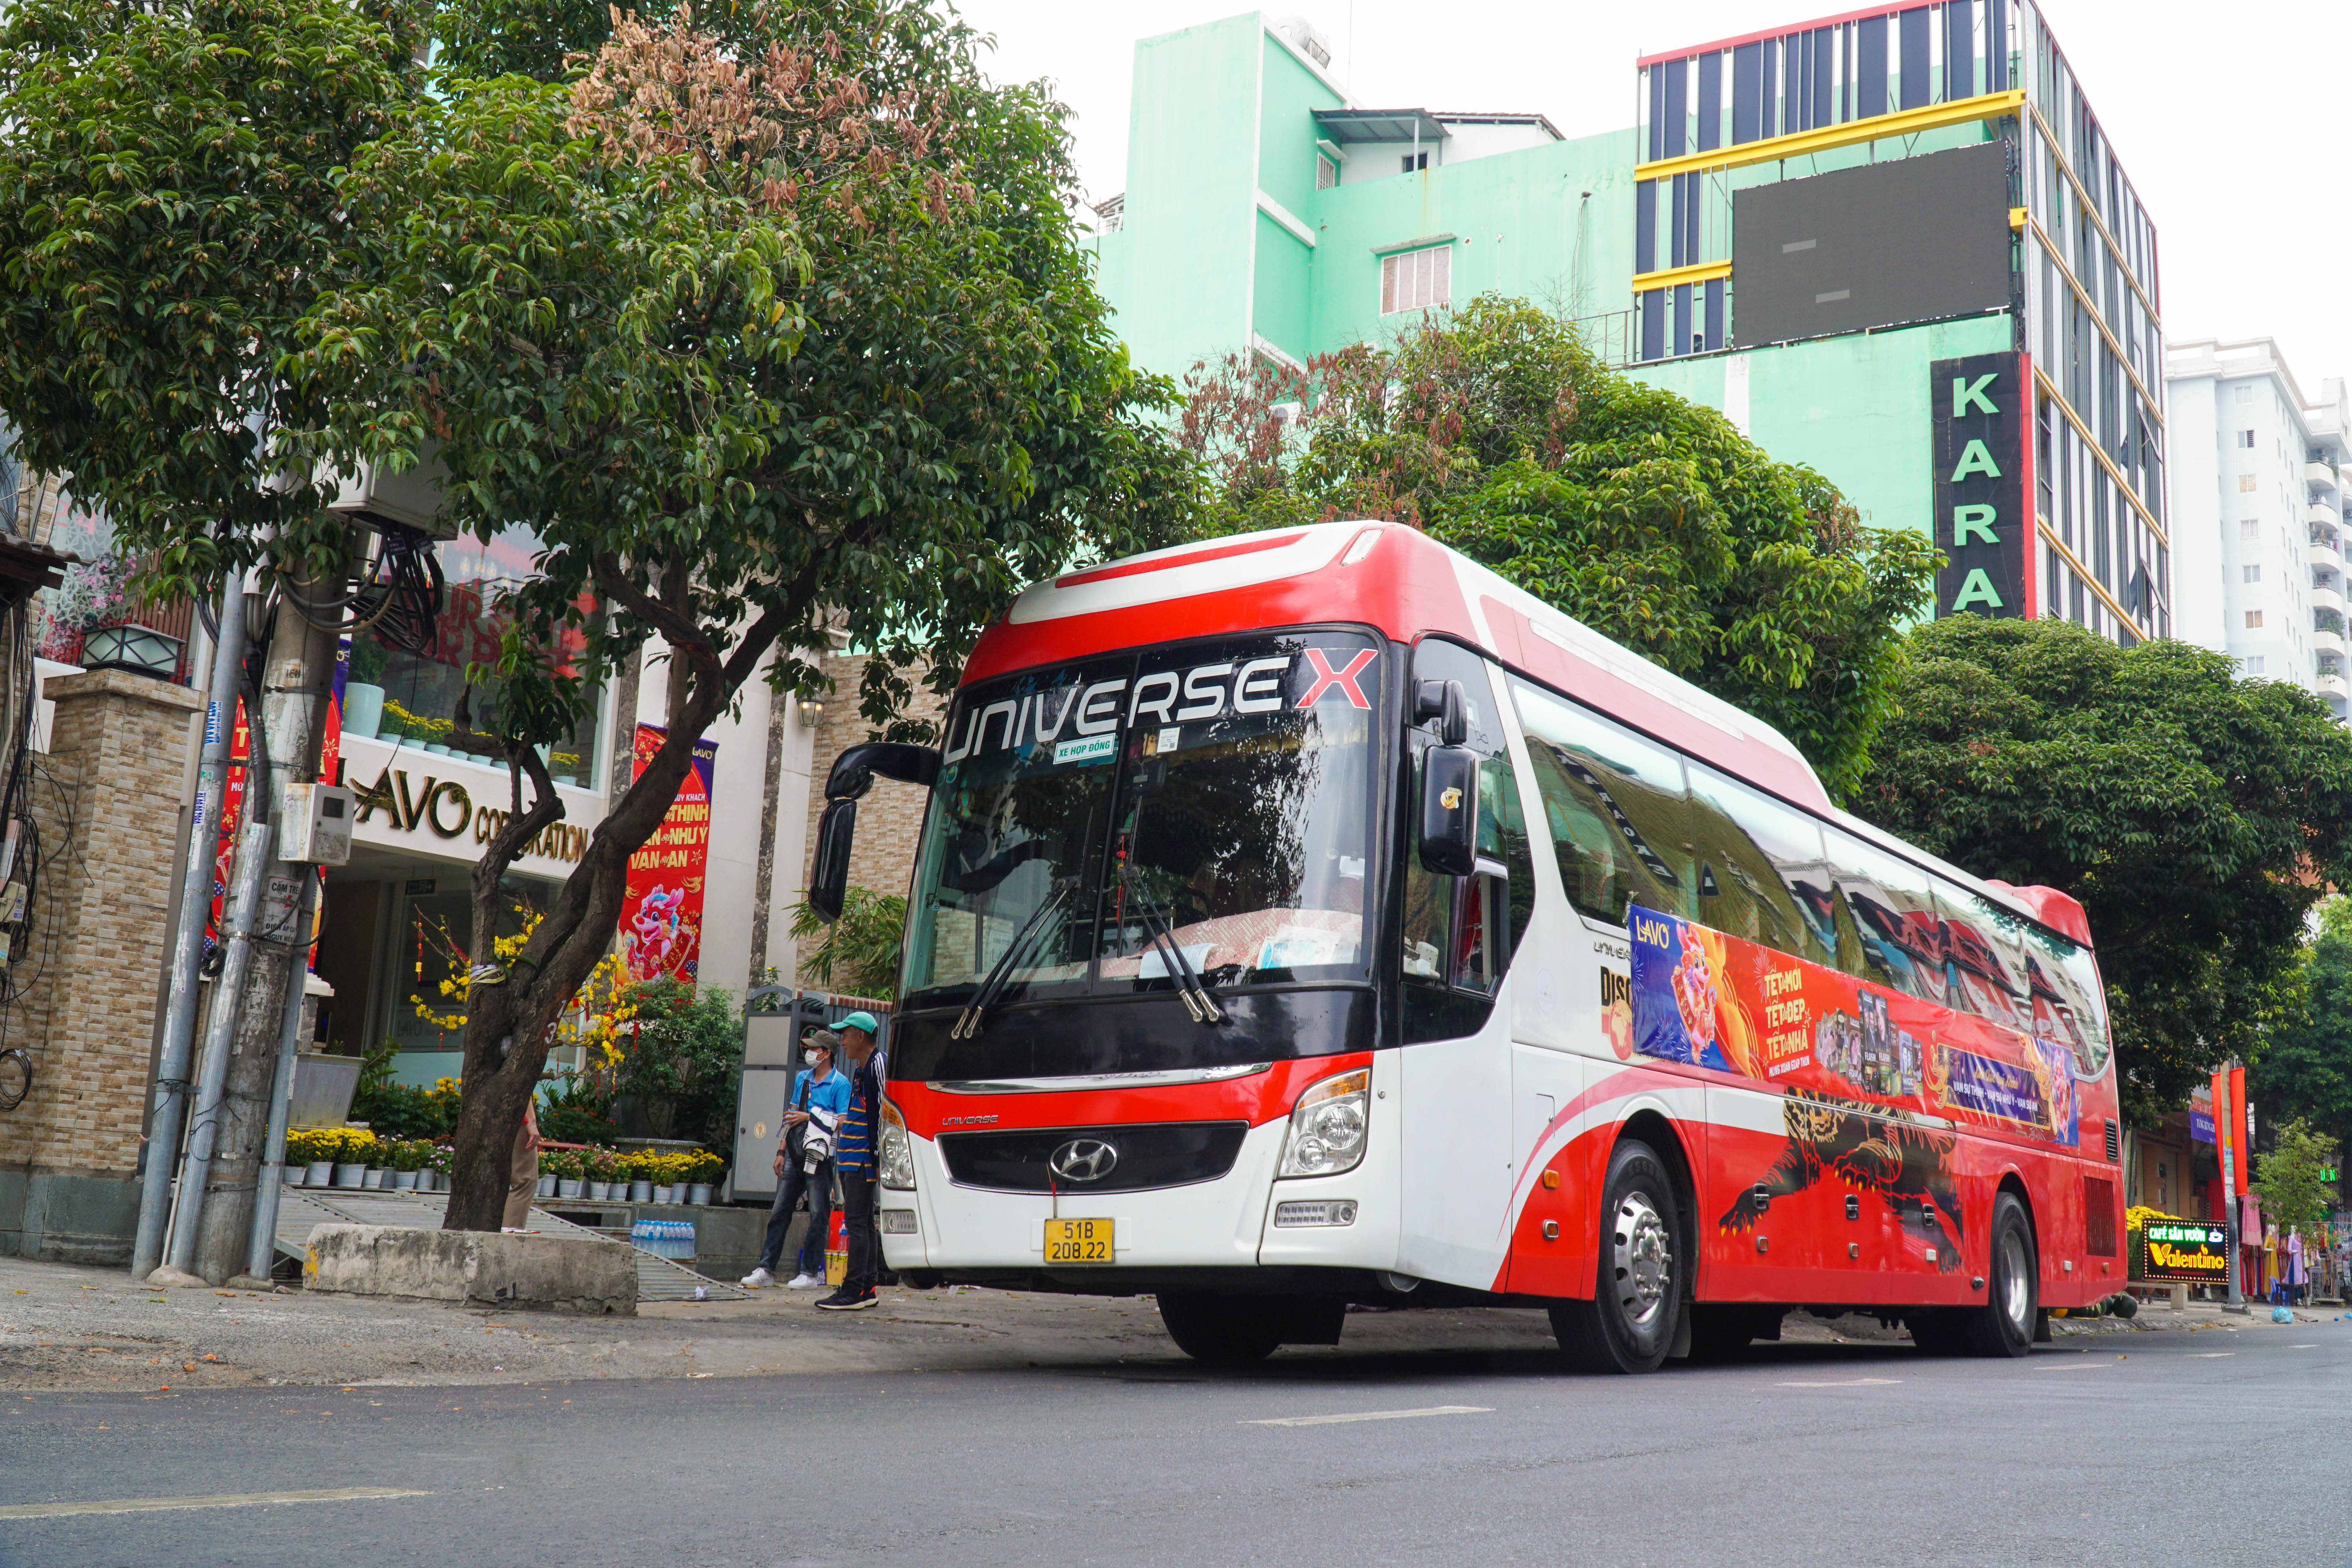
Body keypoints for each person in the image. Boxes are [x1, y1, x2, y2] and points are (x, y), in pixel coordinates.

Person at [741, 1031, 849, 1289]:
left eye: (814, 1049)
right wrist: (781, 1152)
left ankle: (809, 1274)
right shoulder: (803, 1078)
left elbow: (844, 1121)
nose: (809, 1052)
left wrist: (810, 1116)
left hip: (820, 1158)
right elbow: (791, 1117)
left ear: (827, 1053)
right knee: (780, 1212)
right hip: (795, 1153)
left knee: (818, 1216)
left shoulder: (840, 1084)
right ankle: (766, 1269)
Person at [817, 1014, 884, 1311]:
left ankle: (853, 1290)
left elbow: (882, 1114)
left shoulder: (877, 1065)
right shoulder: (860, 1069)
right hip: (851, 1157)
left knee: (857, 1224)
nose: (842, 1042)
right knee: (864, 1223)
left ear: (860, 1036)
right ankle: (867, 1287)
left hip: (862, 1159)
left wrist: (878, 1159)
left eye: (845, 1035)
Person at [501, 1095, 541, 1234]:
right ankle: (510, 1234)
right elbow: (523, 1087)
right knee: (525, 1181)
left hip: (488, 1116)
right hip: (516, 1117)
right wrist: (531, 1121)